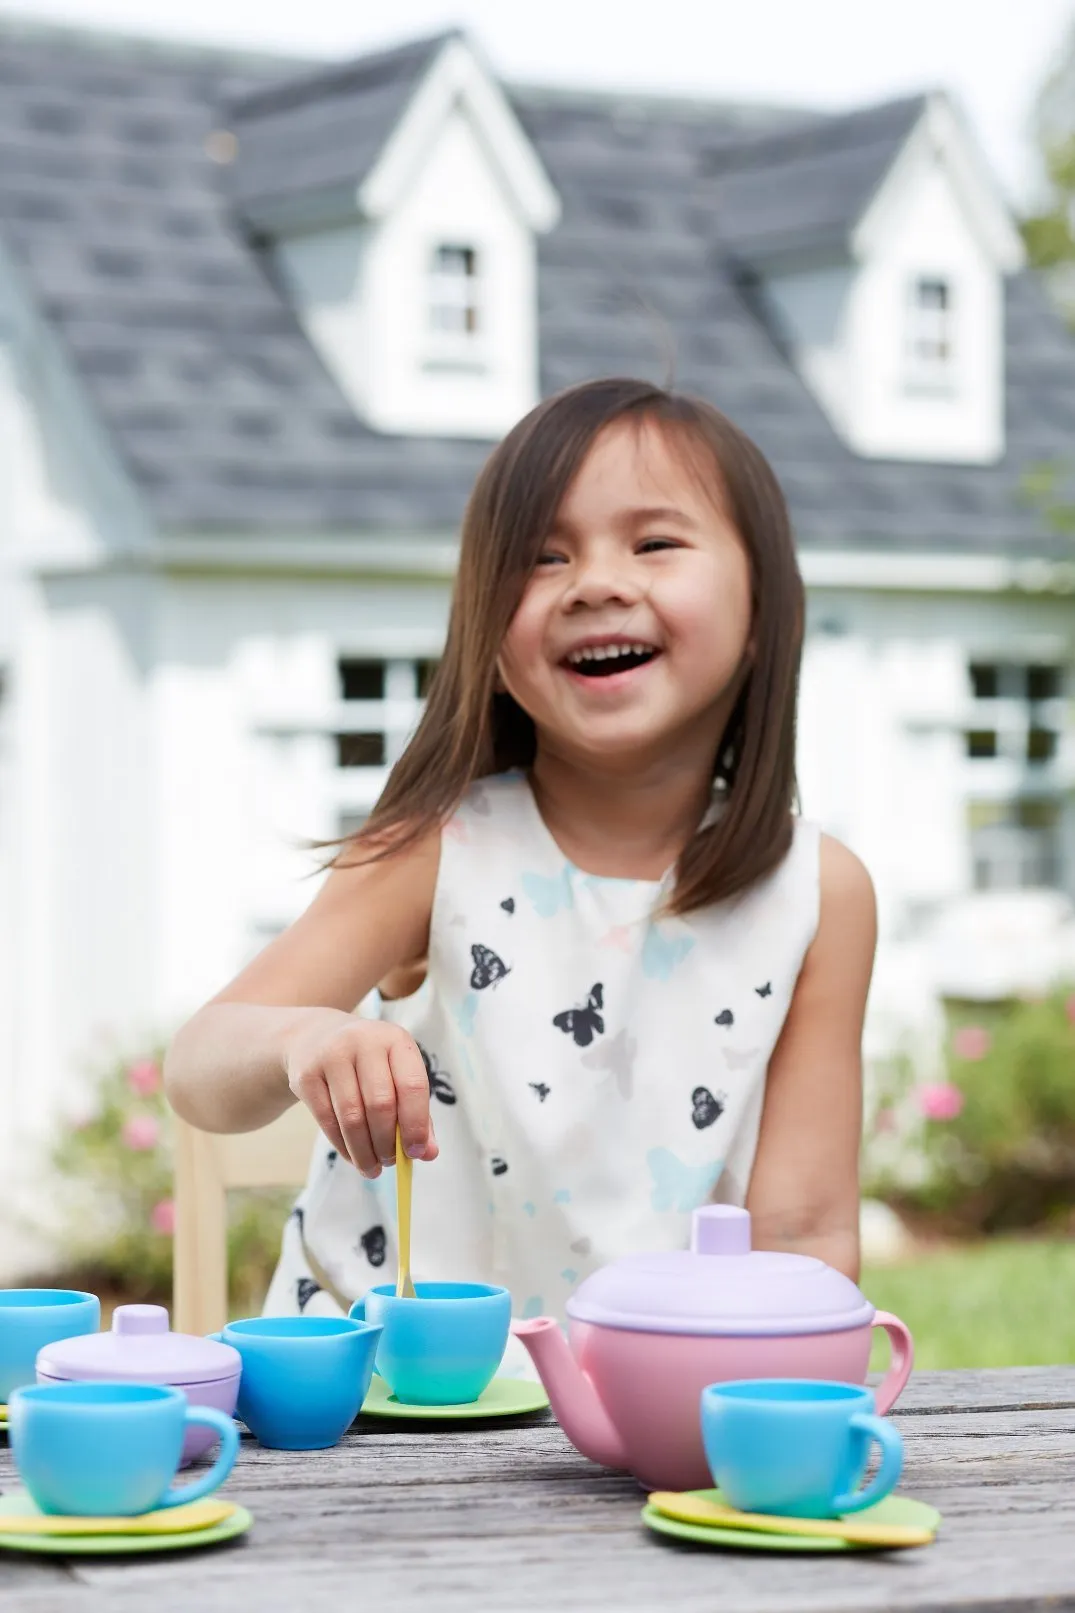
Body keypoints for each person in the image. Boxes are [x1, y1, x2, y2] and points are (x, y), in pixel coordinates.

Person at [164, 377, 876, 1349]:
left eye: (655, 542)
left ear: (763, 608)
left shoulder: (817, 891)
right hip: (380, 1403)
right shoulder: (434, 842)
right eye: (540, 557)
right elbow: (202, 1070)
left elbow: (804, 1232)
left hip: (645, 1407)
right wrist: (303, 1043)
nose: (592, 582)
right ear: (489, 637)